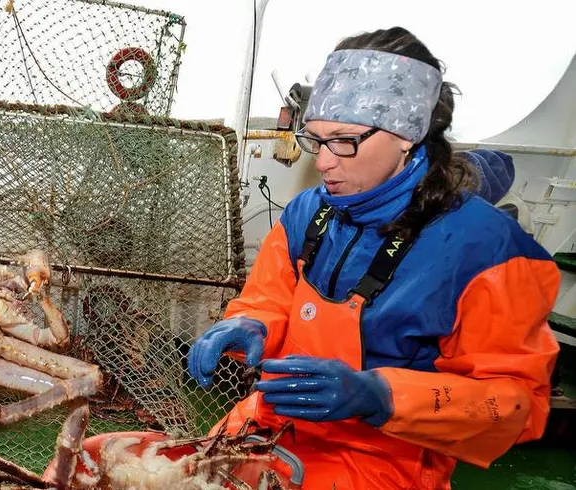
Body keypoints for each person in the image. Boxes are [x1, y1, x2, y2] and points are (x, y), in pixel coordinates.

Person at [186, 27, 560, 489]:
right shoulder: (309, 212)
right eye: (317, 140)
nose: (323, 162)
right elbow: (268, 300)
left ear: (408, 136)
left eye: (344, 140)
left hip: (382, 460)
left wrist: (381, 396)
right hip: (265, 426)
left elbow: (517, 404)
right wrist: (249, 325)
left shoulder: (486, 247)